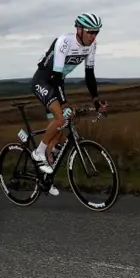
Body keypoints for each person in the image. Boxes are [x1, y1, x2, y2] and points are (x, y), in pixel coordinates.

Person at [30, 13, 108, 195]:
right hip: (43, 81)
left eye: (96, 32)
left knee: (61, 127)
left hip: (57, 83)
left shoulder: (92, 45)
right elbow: (56, 77)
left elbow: (90, 75)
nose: (93, 36)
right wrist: (64, 103)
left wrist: (96, 100)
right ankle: (38, 153)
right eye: (90, 32)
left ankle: (45, 179)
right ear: (79, 29)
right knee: (60, 117)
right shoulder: (64, 42)